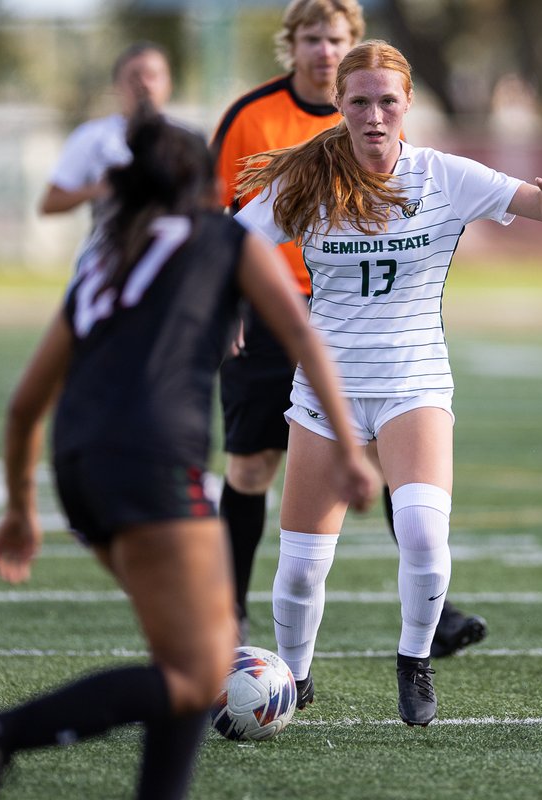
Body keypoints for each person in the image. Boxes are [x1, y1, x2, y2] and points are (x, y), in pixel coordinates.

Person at [0, 107, 377, 800]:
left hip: (79, 466)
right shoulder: (223, 239)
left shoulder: (105, 258)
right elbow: (302, 335)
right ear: (203, 185)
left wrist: (21, 510)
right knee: (199, 673)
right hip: (149, 460)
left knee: (186, 656)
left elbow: (25, 404)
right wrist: (352, 451)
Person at [234, 40, 542, 727]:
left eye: (387, 102)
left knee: (425, 537)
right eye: (359, 101)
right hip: (326, 394)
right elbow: (233, 241)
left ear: (408, 105)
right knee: (303, 568)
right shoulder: (308, 179)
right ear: (339, 104)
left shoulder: (444, 175)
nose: (374, 115)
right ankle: (294, 678)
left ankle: (414, 661)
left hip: (414, 383)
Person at [210, 0, 487, 659]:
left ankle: (432, 609)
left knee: (396, 454)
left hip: (359, 322)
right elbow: (221, 216)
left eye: (335, 37)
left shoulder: (381, 115)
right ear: (294, 46)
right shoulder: (254, 115)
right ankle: (225, 614)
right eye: (312, 37)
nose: (324, 48)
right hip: (273, 314)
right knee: (253, 463)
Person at [39, 41, 173, 224]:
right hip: (113, 240)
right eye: (134, 76)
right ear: (117, 85)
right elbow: (51, 202)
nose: (144, 84)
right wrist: (101, 189)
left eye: (152, 75)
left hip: (174, 241)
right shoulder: (93, 136)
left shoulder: (188, 141)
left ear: (169, 83)